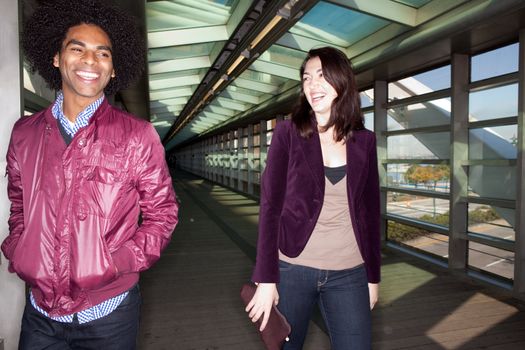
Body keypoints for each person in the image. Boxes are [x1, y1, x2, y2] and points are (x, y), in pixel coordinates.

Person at [1, 0, 178, 348]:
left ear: (113, 70)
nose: (90, 61)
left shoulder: (137, 135)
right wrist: (21, 247)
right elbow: (19, 204)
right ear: (56, 58)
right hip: (41, 314)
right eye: (77, 48)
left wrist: (115, 263)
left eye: (103, 53)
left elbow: (163, 215)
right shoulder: (24, 134)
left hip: (108, 315)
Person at [246, 47, 380, 349]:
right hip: (293, 268)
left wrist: (373, 276)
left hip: (350, 271)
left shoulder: (365, 141)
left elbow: (370, 211)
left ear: (341, 80)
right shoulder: (287, 135)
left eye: (321, 75)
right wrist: (266, 279)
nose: (312, 85)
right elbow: (270, 208)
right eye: (306, 78)